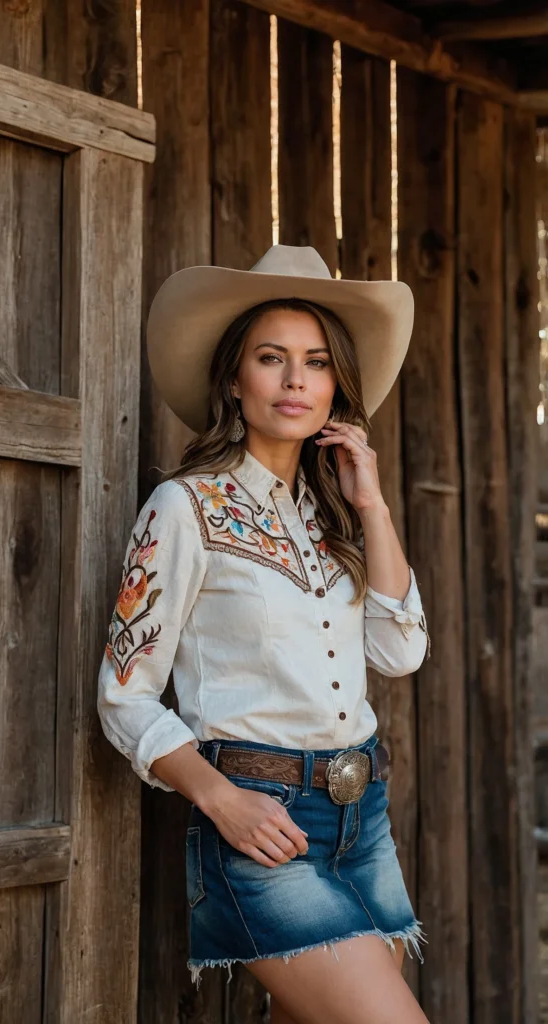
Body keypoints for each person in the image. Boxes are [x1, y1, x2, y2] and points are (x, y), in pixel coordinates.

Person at [97, 244, 431, 1024]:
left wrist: (372, 508)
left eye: (314, 363)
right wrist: (221, 800)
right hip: (260, 819)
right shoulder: (183, 508)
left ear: (334, 386)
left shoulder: (335, 517)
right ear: (232, 379)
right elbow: (123, 697)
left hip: (361, 820)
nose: (293, 380)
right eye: (270, 358)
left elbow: (399, 650)